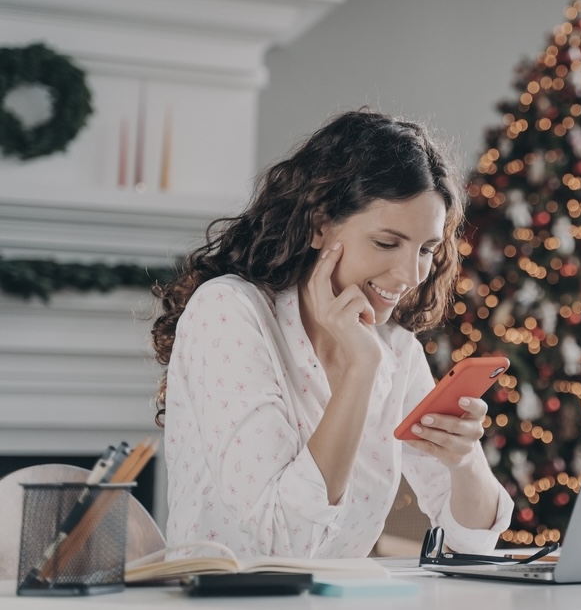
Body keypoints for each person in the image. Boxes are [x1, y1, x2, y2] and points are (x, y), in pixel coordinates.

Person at [150, 109, 514, 558]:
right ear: (320, 225)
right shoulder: (228, 312)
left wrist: (463, 460)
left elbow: (475, 541)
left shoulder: (396, 348)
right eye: (386, 243)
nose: (409, 274)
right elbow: (282, 543)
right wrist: (359, 373)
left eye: (427, 249)